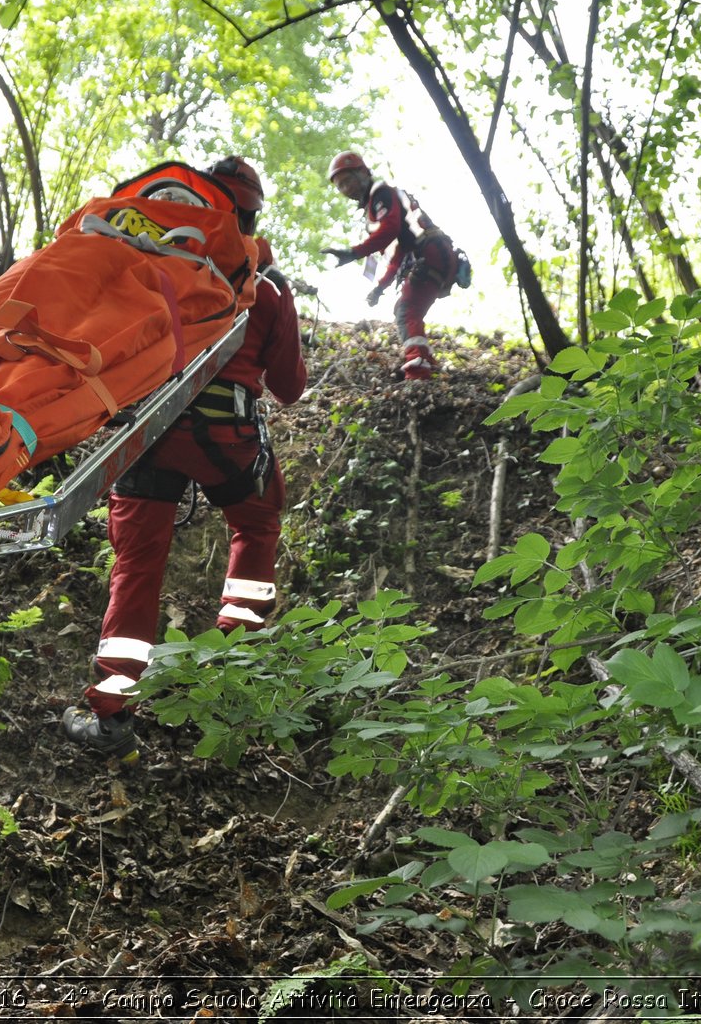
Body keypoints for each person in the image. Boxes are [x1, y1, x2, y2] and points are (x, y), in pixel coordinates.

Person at [62, 156, 307, 758]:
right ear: (251, 215)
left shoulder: (150, 262)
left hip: (150, 433)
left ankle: (113, 711)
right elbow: (291, 387)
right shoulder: (267, 283)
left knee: (136, 568)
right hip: (230, 439)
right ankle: (230, 666)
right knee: (256, 527)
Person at [321, 150, 458, 380]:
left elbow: (390, 229)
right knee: (408, 310)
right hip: (434, 257)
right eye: (340, 186)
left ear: (362, 172)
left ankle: (418, 370)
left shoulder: (382, 194)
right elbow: (398, 253)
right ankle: (424, 361)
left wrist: (354, 252)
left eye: (347, 181)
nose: (346, 189)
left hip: (430, 254)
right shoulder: (375, 205)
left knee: (407, 311)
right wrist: (380, 287)